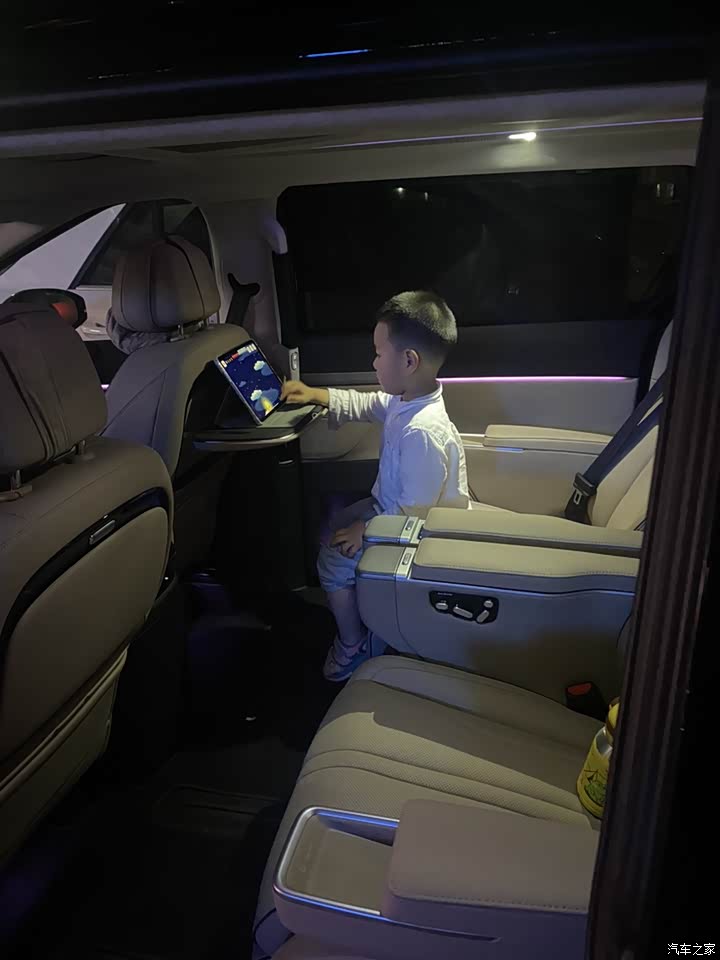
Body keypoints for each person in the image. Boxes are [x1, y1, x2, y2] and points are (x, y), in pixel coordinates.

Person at [280, 290, 469, 681]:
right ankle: (364, 608)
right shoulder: (407, 400)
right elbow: (367, 405)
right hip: (392, 512)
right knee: (332, 527)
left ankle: (352, 644)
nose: (374, 362)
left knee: (332, 561)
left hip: (418, 532)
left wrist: (364, 530)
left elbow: (414, 512)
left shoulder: (422, 432)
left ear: (409, 361)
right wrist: (317, 395)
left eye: (379, 353)